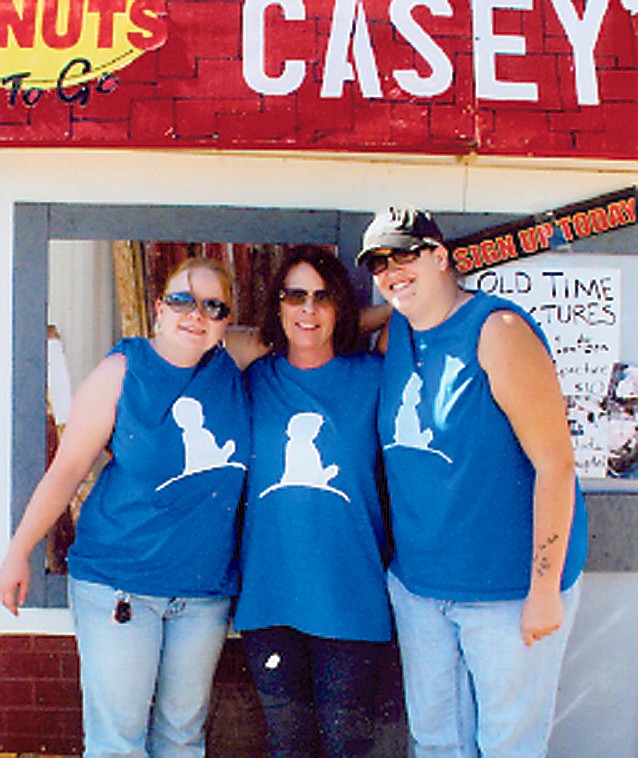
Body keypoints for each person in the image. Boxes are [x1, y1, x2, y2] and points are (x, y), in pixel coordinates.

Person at [356, 207, 588, 758]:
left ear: (441, 257)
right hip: (421, 590)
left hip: (507, 592)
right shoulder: (396, 334)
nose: (392, 271)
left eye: (405, 255)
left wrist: (543, 590)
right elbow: (340, 325)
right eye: (380, 264)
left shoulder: (497, 331)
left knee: (508, 745)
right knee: (435, 743)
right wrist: (374, 305)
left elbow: (556, 466)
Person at [0, 257, 250, 757]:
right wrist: (19, 549)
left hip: (202, 593)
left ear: (226, 321)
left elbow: (312, 329)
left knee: (182, 737)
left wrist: (389, 311)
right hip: (121, 583)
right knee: (119, 742)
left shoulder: (232, 361)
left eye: (212, 305)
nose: (194, 314)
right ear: (158, 309)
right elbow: (68, 470)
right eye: (182, 299)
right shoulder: (122, 371)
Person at [230, 246, 393, 757]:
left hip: (351, 594)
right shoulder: (255, 375)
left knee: (347, 746)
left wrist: (375, 312)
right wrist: (303, 322)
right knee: (288, 746)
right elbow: (213, 339)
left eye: (324, 298)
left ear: (343, 306)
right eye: (295, 296)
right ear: (276, 304)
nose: (308, 308)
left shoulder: (374, 374)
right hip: (271, 595)